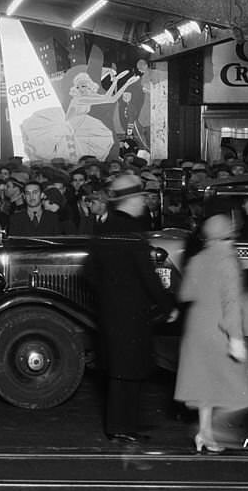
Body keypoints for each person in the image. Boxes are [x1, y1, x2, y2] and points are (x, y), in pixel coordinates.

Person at [85, 184, 177, 444]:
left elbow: (90, 272)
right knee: (130, 369)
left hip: (110, 310)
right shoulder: (131, 231)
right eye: (140, 198)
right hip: (132, 311)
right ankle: (123, 427)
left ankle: (120, 426)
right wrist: (167, 306)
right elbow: (147, 275)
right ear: (130, 200)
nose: (143, 202)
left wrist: (108, 294)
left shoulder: (104, 228)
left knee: (119, 371)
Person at [174, 212, 248, 452]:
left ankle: (205, 434)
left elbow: (186, 294)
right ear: (230, 235)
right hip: (219, 329)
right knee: (243, 392)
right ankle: (216, 429)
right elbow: (232, 303)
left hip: (196, 328)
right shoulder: (228, 260)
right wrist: (236, 338)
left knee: (204, 384)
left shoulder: (197, 259)